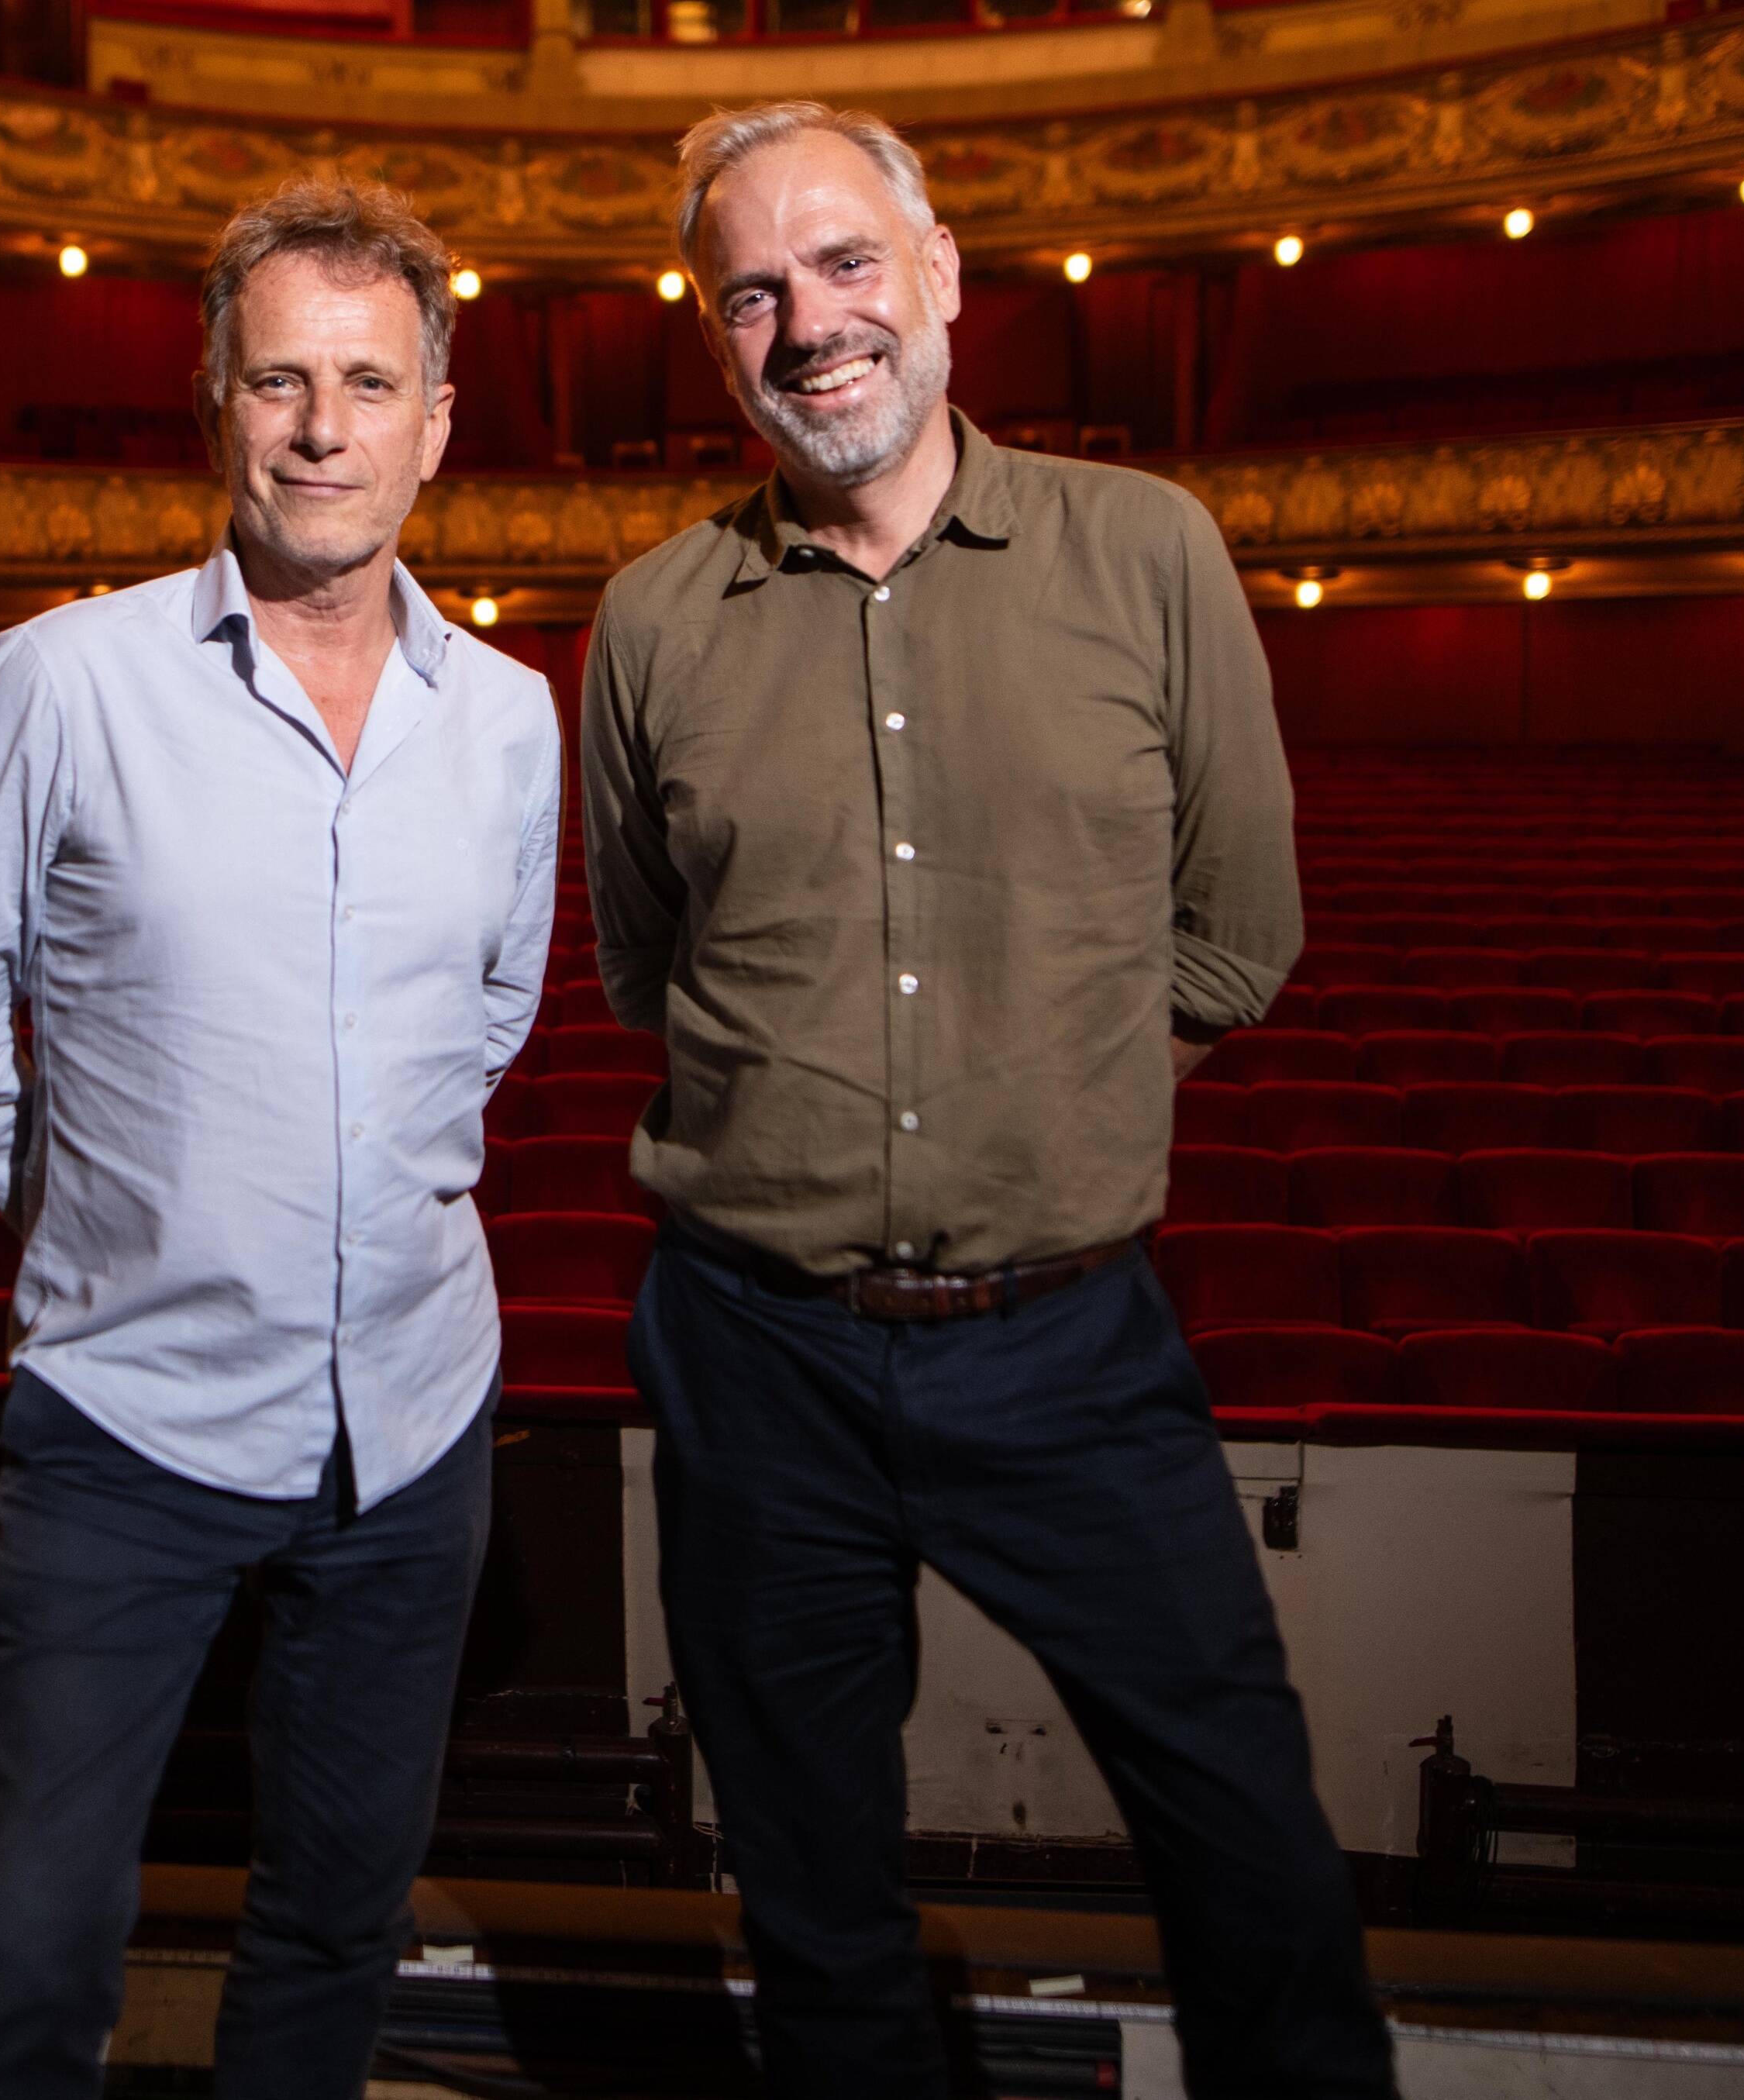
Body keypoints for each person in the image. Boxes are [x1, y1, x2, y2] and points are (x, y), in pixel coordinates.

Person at [579, 101, 1395, 2099]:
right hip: (751, 1350)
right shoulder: (649, 619)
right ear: (715, 338)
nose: (810, 322)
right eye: (751, 290)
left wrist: (1046, 1093)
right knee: (815, 1894)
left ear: (940, 276)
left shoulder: (1150, 549)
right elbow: (637, 965)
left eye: (847, 263)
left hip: (1070, 1345)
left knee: (1252, 1854)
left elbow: (1239, 930)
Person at [0, 176, 565, 2098]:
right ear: (216, 403)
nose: (324, 428)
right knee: (29, 1942)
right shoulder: (59, 681)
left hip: (413, 1426)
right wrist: (103, 1206)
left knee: (339, 1919)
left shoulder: (511, 720)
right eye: (282, 380)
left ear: (437, 421)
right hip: (128, 1423)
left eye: (368, 382)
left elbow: (490, 1019)